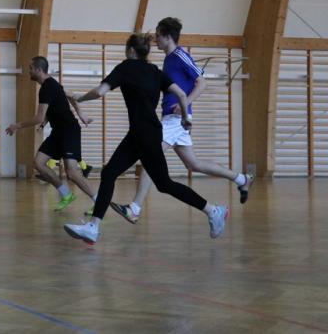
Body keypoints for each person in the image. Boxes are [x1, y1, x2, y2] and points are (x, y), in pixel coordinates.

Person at [63, 34, 229, 245]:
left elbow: (100, 91)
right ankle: (93, 227)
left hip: (146, 135)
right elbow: (181, 94)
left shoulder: (126, 67)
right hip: (141, 133)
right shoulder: (155, 72)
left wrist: (80, 97)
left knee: (164, 183)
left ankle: (213, 210)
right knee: (110, 172)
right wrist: (186, 118)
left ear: (131, 50)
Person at [112, 17, 253, 224]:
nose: (155, 39)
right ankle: (241, 178)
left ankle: (135, 208)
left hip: (176, 119)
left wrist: (185, 104)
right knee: (193, 164)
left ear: (168, 36)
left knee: (150, 155)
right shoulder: (168, 59)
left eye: (158, 35)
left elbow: (201, 82)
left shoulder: (180, 56)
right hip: (172, 118)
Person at [6, 56, 97, 212]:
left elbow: (39, 117)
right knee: (38, 163)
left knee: (72, 172)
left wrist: (17, 125)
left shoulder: (47, 88)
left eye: (31, 68)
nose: (29, 71)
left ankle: (98, 202)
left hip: (69, 131)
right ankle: (66, 194)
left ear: (39, 70)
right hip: (58, 132)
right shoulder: (51, 84)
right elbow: (69, 96)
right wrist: (80, 113)